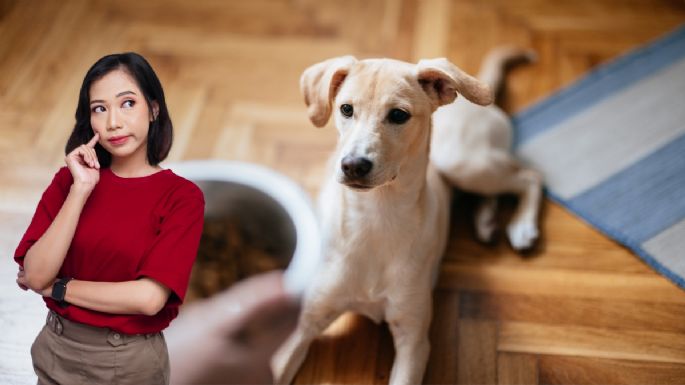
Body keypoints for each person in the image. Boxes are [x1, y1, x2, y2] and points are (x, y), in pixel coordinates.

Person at [14, 52, 205, 384]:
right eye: (99, 109)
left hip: (125, 363)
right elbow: (35, 274)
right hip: (54, 348)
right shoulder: (69, 181)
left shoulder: (181, 197)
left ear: (154, 108)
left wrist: (59, 288)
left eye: (127, 103)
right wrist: (81, 189)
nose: (113, 122)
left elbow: (148, 299)